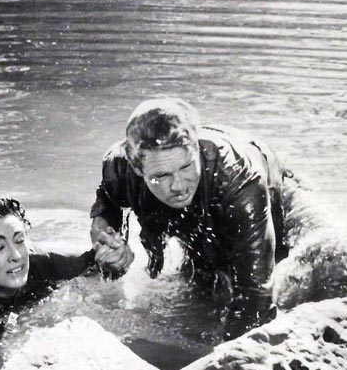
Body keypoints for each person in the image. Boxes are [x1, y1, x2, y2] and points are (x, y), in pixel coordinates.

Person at [90, 98, 289, 339]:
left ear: (197, 149)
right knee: (200, 283)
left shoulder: (239, 178)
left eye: (186, 167)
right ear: (138, 169)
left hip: (255, 177)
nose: (178, 186)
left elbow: (255, 294)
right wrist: (108, 241)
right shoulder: (119, 167)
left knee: (268, 276)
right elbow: (108, 201)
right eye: (161, 175)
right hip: (213, 182)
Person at [0, 196, 100, 321]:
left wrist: (113, 256)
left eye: (19, 240)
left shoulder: (45, 263)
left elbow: (97, 261)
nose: (17, 256)